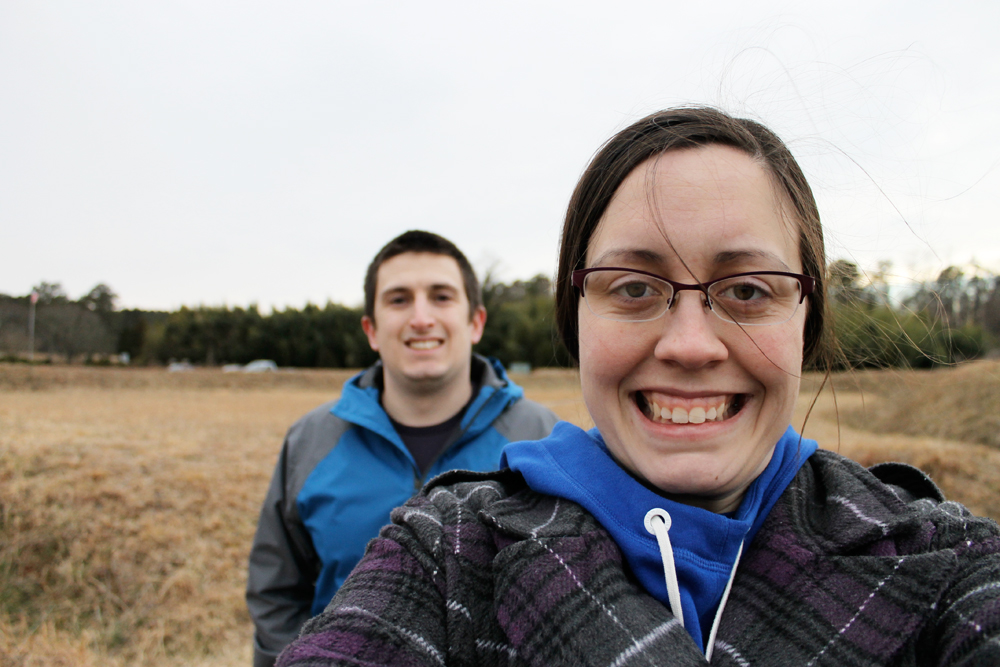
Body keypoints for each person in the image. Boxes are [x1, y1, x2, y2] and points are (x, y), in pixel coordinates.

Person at [276, 110, 1000, 666]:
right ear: (577, 317)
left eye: (748, 288)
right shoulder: (449, 551)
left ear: (806, 317)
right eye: (633, 286)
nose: (690, 344)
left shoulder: (944, 560)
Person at [246, 230, 559, 667]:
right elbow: (276, 592)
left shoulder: (542, 439)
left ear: (476, 322)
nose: (421, 318)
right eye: (398, 300)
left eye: (441, 297)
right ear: (371, 330)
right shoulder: (310, 440)